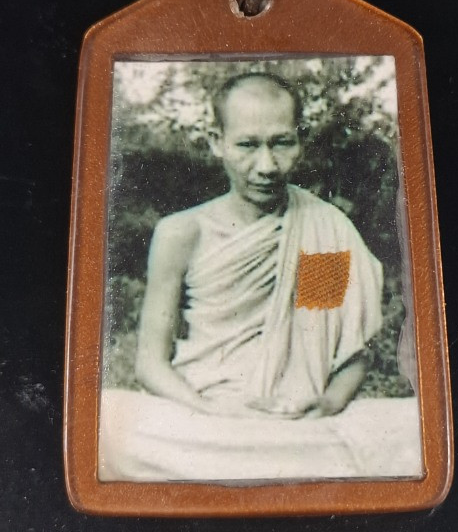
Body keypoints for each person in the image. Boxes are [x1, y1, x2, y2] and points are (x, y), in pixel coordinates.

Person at [99, 72, 422, 481]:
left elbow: (338, 350)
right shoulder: (183, 234)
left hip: (297, 423)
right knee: (106, 420)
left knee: (414, 426)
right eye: (248, 145)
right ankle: (281, 472)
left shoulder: (318, 230)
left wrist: (326, 405)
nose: (266, 166)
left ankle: (249, 472)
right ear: (216, 141)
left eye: (281, 143)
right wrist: (212, 412)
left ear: (300, 140)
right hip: (204, 417)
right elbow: (150, 364)